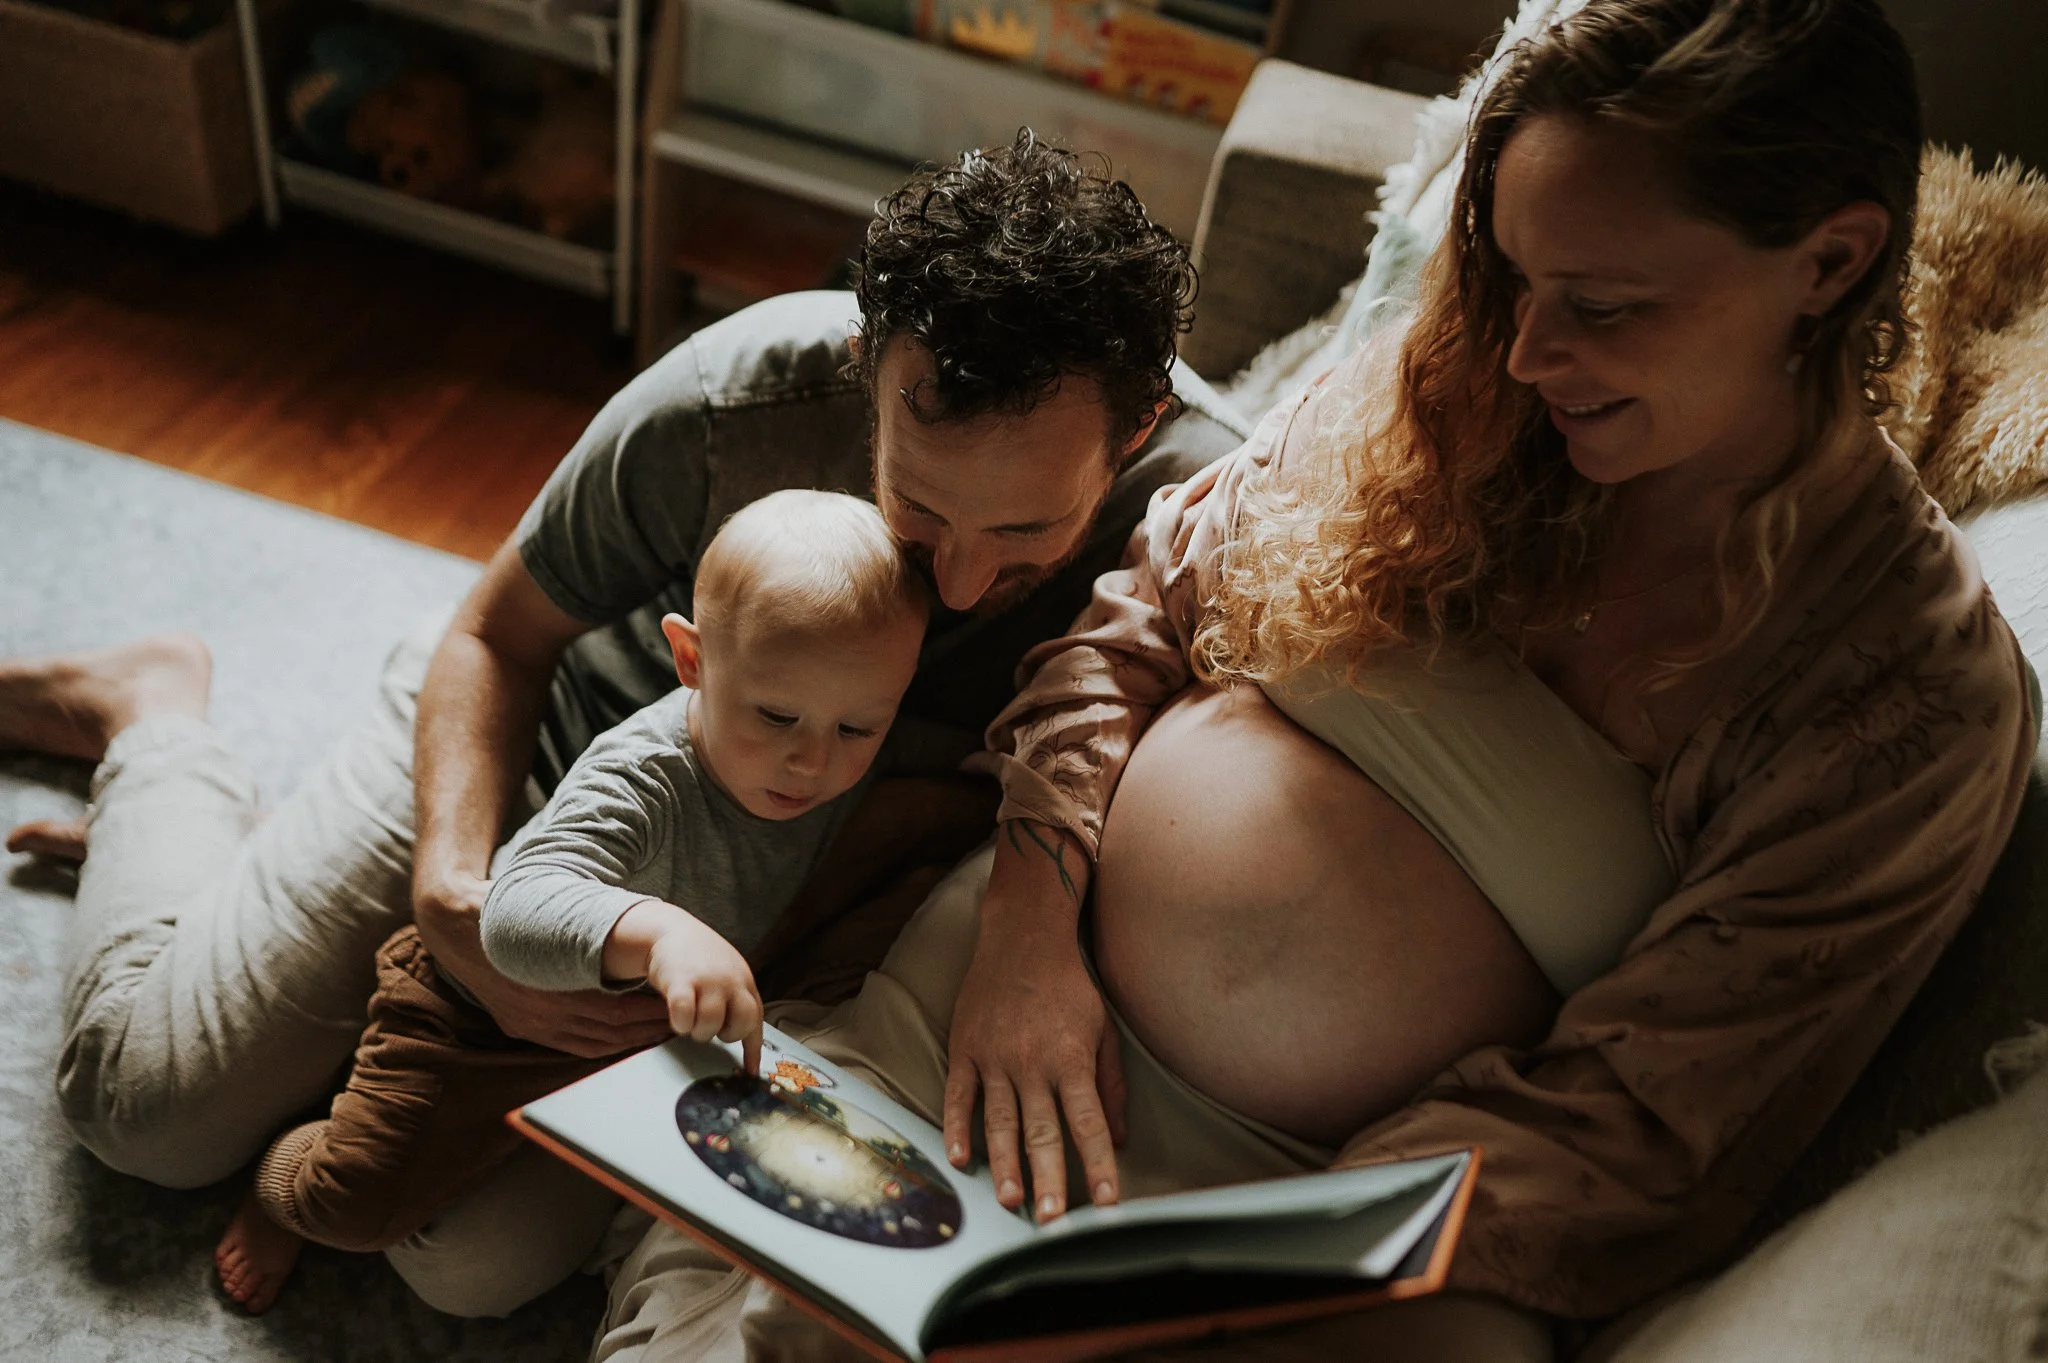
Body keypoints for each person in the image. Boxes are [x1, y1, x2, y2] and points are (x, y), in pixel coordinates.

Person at [595, 1, 2038, 1358]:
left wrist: (1215, 1268)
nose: (1532, 349)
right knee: (748, 1293)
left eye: (1602, 302)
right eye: (1517, 278)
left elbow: (1655, 1124)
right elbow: (1131, 624)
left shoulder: (1901, 688)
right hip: (1010, 1004)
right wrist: (1031, 927)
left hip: (1335, 1214)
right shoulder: (1446, 401)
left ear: (1832, 263)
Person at [0, 132, 1248, 1316]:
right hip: (559, 749)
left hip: (734, 901)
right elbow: (497, 635)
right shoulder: (731, 400)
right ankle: (153, 715)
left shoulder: (1205, 509)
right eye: (916, 508)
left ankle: (283, 931)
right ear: (871, 375)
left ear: (1134, 429)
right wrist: (449, 885)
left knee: (461, 1265)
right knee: (145, 1114)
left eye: (1023, 534)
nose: (961, 583)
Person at [212, 490, 929, 1313]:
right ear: (692, 661)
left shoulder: (836, 731)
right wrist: (657, 931)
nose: (812, 760)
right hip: (478, 1017)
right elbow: (512, 914)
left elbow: (914, 766)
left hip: (614, 1038)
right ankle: (280, 1180)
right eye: (776, 716)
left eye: (858, 729)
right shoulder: (642, 774)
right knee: (355, 1201)